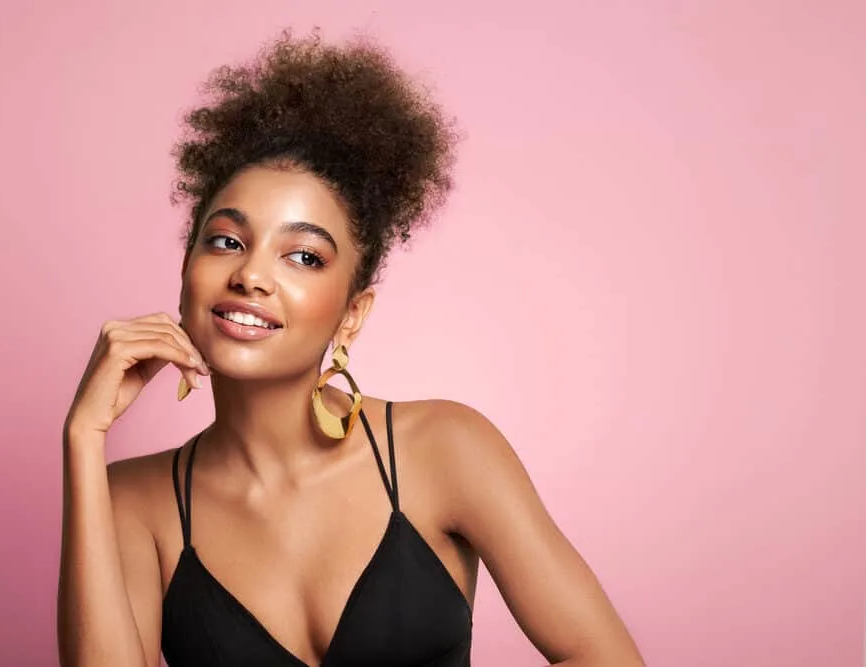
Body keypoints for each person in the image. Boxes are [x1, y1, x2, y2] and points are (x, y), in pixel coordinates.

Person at [57, 30, 644, 667]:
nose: (251, 275)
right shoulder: (133, 504)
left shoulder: (444, 449)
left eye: (304, 256)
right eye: (226, 241)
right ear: (187, 270)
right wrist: (84, 437)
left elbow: (604, 656)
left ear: (353, 313)